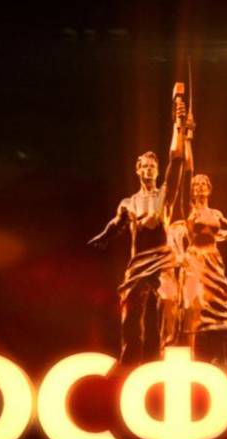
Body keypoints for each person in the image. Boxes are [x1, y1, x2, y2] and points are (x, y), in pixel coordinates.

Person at [88, 97, 191, 367]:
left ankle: (168, 359)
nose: (148, 170)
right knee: (130, 314)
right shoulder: (129, 202)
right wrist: (104, 237)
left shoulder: (165, 195)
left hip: (162, 260)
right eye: (144, 166)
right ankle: (130, 362)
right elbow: (117, 223)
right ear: (138, 171)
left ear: (157, 171)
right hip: (137, 264)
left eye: (152, 166)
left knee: (168, 300)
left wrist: (178, 126)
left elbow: (177, 160)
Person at [177, 174, 227, 366]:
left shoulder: (215, 214)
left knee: (217, 304)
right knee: (195, 304)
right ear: (192, 191)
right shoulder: (188, 211)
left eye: (203, 184)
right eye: (196, 185)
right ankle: (193, 354)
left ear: (209, 189)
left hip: (213, 261)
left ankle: (219, 354)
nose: (200, 187)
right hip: (195, 261)